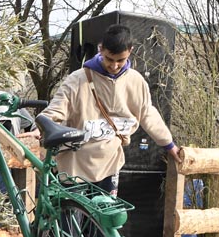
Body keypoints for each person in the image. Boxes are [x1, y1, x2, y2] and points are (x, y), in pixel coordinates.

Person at [40, 24, 181, 196]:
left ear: (130, 51)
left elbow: (147, 113)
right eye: (109, 59)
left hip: (110, 161)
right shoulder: (78, 79)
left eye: (120, 60)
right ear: (100, 49)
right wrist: (40, 127)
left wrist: (169, 145)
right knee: (71, 219)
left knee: (105, 220)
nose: (114, 66)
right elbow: (57, 108)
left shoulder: (136, 81)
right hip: (75, 162)